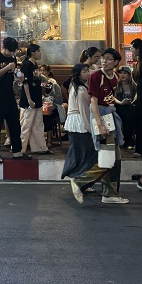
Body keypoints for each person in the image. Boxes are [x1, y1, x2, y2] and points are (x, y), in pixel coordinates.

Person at [71, 48, 128, 205]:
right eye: (103, 58)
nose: (104, 61)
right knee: (108, 157)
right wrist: (99, 123)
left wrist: (119, 102)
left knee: (115, 158)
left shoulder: (115, 77)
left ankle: (110, 193)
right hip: (100, 116)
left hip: (110, 115)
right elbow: (94, 101)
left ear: (116, 62)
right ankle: (80, 181)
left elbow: (110, 97)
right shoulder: (96, 76)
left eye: (108, 58)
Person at [0, 37, 30, 163]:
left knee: (15, 124)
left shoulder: (13, 59)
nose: (12, 53)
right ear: (4, 48)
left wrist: (19, 77)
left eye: (14, 51)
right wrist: (7, 68)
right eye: (10, 51)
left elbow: (13, 74)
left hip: (10, 94)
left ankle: (17, 151)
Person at [61, 63, 97, 199]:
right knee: (86, 154)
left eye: (88, 71)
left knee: (79, 153)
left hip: (76, 123)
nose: (88, 73)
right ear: (78, 74)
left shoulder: (76, 86)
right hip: (80, 124)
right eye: (85, 71)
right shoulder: (81, 90)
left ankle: (79, 179)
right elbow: (84, 111)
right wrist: (90, 129)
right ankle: (79, 179)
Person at [19, 44, 51, 155]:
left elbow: (36, 81)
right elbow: (25, 83)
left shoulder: (35, 65)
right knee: (26, 124)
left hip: (37, 97)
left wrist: (43, 89)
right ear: (32, 52)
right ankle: (20, 149)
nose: (40, 53)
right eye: (38, 51)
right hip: (29, 99)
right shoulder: (26, 65)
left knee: (38, 124)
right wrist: (29, 99)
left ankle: (39, 147)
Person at [39, 64, 64, 149]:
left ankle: (49, 140)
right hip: (40, 107)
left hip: (52, 108)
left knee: (47, 115)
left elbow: (59, 100)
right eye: (40, 70)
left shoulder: (52, 84)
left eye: (44, 71)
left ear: (48, 72)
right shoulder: (38, 82)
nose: (42, 72)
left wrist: (49, 97)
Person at [114, 66, 136, 149]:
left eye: (125, 73)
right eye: (121, 73)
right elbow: (112, 97)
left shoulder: (133, 86)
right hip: (118, 108)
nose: (122, 75)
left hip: (130, 108)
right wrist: (120, 102)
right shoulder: (116, 86)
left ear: (129, 75)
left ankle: (129, 140)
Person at [131, 39, 142, 160]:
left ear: (138, 48)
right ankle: (139, 149)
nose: (131, 50)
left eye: (132, 48)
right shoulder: (138, 62)